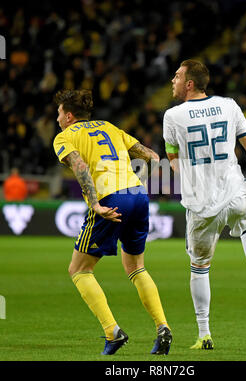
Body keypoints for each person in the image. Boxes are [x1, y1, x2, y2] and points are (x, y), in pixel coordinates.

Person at [163, 59, 246, 350]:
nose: (173, 80)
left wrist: (186, 173)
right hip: (234, 191)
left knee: (200, 266)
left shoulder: (173, 116)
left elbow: (172, 157)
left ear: (190, 84)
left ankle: (204, 333)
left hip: (202, 203)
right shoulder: (229, 105)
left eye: (178, 76)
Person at [53, 89, 172, 355]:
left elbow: (80, 166)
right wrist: (140, 183)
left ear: (69, 116)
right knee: (135, 266)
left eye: (59, 113)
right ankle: (163, 327)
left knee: (79, 270)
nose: (57, 118)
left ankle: (112, 332)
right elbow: (151, 156)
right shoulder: (109, 127)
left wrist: (95, 204)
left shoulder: (65, 136)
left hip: (109, 198)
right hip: (138, 195)